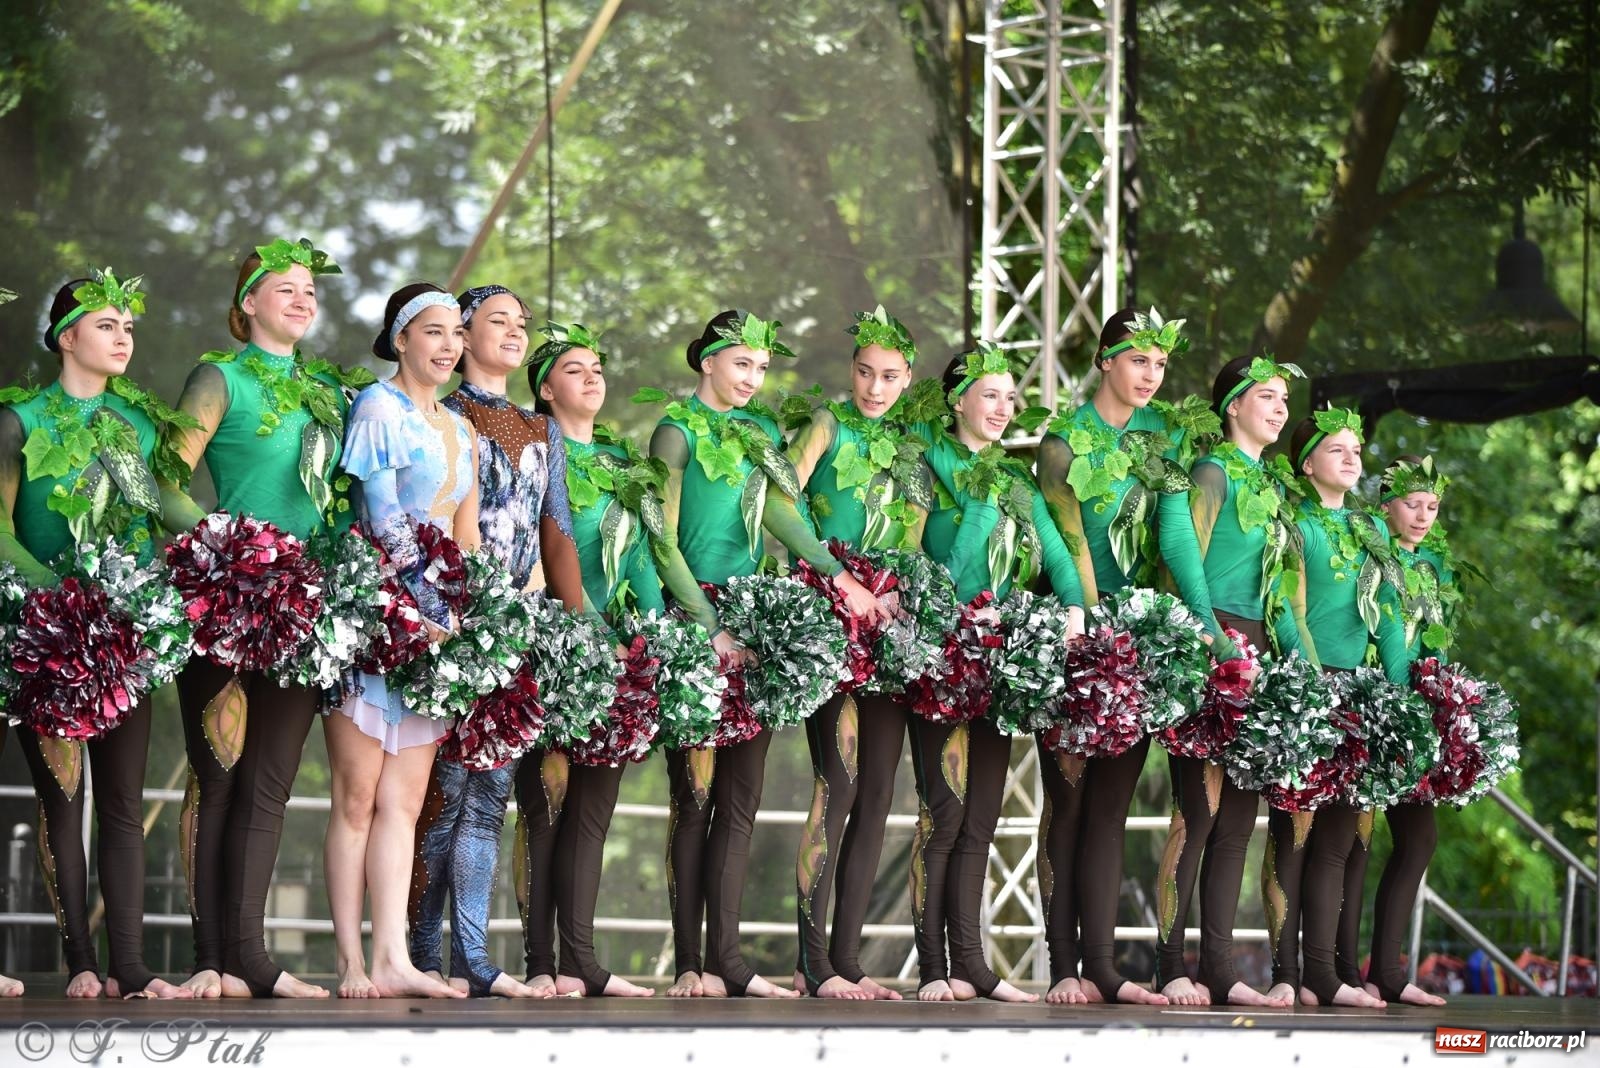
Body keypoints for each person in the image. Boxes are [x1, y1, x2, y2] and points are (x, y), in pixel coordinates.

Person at [651, 309, 879, 999]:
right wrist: (706, 625)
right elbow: (661, 539)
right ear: (707, 364)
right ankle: (692, 962)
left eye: (760, 367)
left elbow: (783, 515)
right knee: (692, 798)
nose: (751, 378)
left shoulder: (759, 433)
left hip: (755, 624)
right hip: (695, 623)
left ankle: (731, 961)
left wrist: (838, 575)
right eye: (740, 363)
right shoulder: (673, 431)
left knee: (741, 802)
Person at [160, 239, 368, 998]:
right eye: (285, 287)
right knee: (217, 778)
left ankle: (249, 957)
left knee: (270, 785)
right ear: (248, 302)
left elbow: (343, 502)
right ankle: (208, 959)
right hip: (225, 599)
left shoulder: (327, 393)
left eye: (310, 289)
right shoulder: (219, 377)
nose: (303, 298)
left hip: (305, 609)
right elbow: (164, 482)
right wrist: (229, 550)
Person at [0, 270, 192, 999]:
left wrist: (228, 543)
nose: (123, 337)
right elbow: (0, 526)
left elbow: (163, 502)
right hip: (45, 635)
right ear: (65, 336)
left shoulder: (137, 424)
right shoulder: (19, 420)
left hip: (125, 634)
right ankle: (81, 958)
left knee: (121, 797)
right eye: (107, 325)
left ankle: (132, 967)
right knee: (63, 798)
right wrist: (59, 599)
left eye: (130, 327)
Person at [1034, 308, 1226, 1006]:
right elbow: (1068, 540)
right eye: (1139, 360)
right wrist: (1087, 630)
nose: (1151, 375)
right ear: (1107, 361)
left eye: (1161, 364)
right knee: (1068, 804)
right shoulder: (1063, 442)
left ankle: (1107, 971)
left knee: (1110, 810)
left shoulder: (1167, 438)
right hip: (1075, 634)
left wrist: (1205, 627)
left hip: (1140, 639)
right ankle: (1063, 967)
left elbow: (1178, 538)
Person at [407, 286, 582, 998]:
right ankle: (420, 954)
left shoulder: (545, 429)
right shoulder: (445, 415)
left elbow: (558, 532)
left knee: (489, 800)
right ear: (463, 335)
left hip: (521, 626)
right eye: (495, 322)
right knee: (442, 799)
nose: (512, 332)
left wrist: (577, 625)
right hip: (456, 621)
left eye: (521, 323)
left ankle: (475, 961)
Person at [911, 346, 1083, 1003]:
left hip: (1001, 661)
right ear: (958, 400)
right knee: (945, 815)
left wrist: (1071, 608)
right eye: (991, 395)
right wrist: (981, 495)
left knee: (981, 819)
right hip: (943, 654)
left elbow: (1058, 553)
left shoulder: (1016, 477)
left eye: (1012, 398)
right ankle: (934, 967)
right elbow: (946, 570)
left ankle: (974, 968)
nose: (1005, 408)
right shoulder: (926, 463)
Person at [766, 307, 927, 1000]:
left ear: (907, 379)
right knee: (841, 782)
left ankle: (850, 960)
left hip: (887, 621)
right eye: (864, 372)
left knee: (881, 795)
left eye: (889, 376)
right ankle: (814, 964)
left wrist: (896, 591)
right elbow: (781, 494)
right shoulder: (827, 424)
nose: (874, 386)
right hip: (833, 611)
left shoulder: (911, 445)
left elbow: (915, 530)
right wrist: (838, 579)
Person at [325, 282, 477, 1000]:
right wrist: (423, 604)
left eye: (456, 335)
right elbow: (383, 516)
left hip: (439, 629)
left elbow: (466, 533)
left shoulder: (462, 429)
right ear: (402, 337)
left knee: (404, 804)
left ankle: (394, 958)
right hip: (378, 619)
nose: (449, 347)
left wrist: (475, 614)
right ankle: (351, 961)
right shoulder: (376, 407)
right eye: (435, 332)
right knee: (357, 798)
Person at [1150, 354, 1301, 1008]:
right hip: (1214, 641)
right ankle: (1168, 965)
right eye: (1266, 396)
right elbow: (1186, 559)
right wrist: (1209, 641)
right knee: (1199, 814)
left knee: (1239, 822)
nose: (1278, 409)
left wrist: (1298, 667)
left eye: (1284, 400)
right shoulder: (1212, 471)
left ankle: (1218, 968)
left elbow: (1282, 591)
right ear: (1233, 406)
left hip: (1259, 648)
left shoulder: (1271, 484)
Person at [526, 320, 661, 997]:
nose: (593, 377)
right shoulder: (537, 450)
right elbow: (544, 549)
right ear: (546, 389)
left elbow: (640, 558)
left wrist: (653, 635)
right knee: (545, 804)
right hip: (555, 642)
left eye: (597, 368)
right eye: (575, 370)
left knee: (592, 813)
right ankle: (538, 962)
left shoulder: (620, 462)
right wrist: (583, 629)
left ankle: (580, 959)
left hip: (616, 650)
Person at [1269, 409, 1407, 1009]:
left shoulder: (1370, 529)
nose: (1352, 458)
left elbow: (1394, 621)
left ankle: (1324, 976)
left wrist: (1396, 696)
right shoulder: (1293, 523)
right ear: (1306, 463)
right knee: (1291, 838)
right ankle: (1285, 973)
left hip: (1360, 691)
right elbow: (1283, 607)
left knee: (1336, 842)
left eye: (1356, 449)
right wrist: (1310, 680)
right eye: (1336, 449)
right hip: (1309, 685)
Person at [1356, 454, 1456, 1007]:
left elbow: (1434, 639)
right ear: (1386, 506)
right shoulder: (1374, 554)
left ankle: (1386, 972)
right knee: (1353, 839)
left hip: (1417, 706)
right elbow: (1390, 633)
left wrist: (1444, 699)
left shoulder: (1433, 567)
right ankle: (1345, 973)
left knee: (1418, 839)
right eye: (1412, 504)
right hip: (1379, 704)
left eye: (1432, 506)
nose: (1422, 516)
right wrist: (1401, 704)